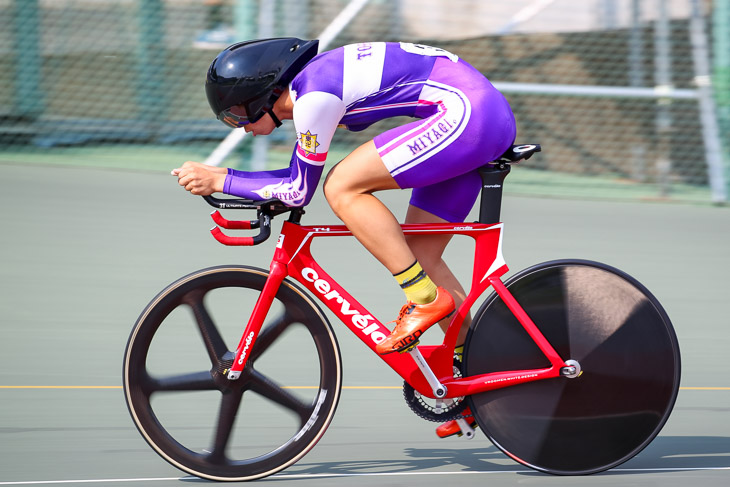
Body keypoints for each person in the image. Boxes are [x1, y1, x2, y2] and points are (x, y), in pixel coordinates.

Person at [172, 38, 516, 438]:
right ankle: (479, 374)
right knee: (420, 254)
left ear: (259, 96)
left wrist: (221, 178)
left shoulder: (313, 97)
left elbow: (299, 189)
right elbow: (294, 180)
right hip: (477, 113)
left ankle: (424, 298)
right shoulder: (312, 86)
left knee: (342, 186)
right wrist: (244, 186)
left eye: (234, 114)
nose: (240, 126)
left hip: (468, 116)